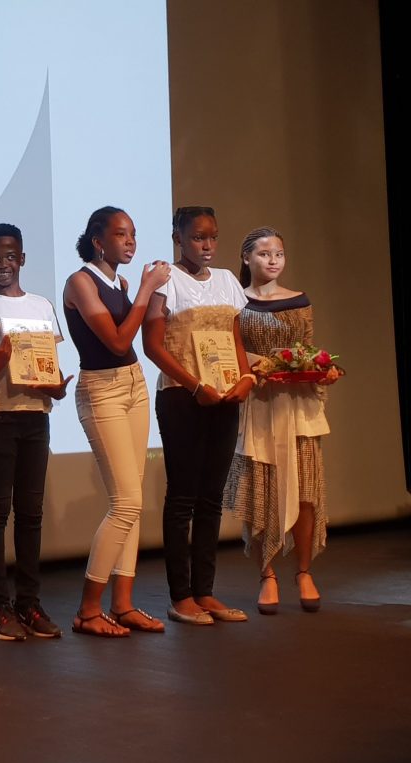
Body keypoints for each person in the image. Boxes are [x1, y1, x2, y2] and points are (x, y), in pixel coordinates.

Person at [142, 205, 255, 625]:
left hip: (224, 397)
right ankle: (181, 597)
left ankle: (205, 591)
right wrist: (194, 386)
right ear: (178, 238)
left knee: (212, 498)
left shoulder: (227, 280)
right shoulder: (166, 281)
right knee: (183, 497)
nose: (207, 245)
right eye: (197, 237)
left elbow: (234, 337)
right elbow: (153, 345)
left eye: (212, 237)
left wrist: (245, 378)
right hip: (182, 398)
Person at [63, 207, 171, 637]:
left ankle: (122, 604)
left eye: (133, 235)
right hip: (101, 390)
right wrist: (147, 288)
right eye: (121, 235)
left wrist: (145, 292)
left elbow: (133, 340)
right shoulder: (80, 282)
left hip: (133, 384)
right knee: (125, 502)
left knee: (134, 499)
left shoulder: (120, 284)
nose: (130, 242)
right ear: (97, 241)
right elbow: (117, 340)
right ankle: (88, 610)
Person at [224, 227, 335, 614]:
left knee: (305, 491)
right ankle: (267, 574)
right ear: (246, 258)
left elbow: (308, 348)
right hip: (258, 405)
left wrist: (319, 369)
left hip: (298, 405)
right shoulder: (236, 302)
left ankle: (303, 571)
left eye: (279, 254)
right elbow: (231, 351)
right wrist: (260, 366)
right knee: (261, 492)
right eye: (264, 254)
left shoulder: (299, 300)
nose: (273, 260)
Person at [0, 223, 72, 640]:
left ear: (23, 259)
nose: (3, 264)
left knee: (31, 514)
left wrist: (57, 388)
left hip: (36, 417)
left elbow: (49, 368)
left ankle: (29, 603)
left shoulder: (42, 305)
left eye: (10, 256)